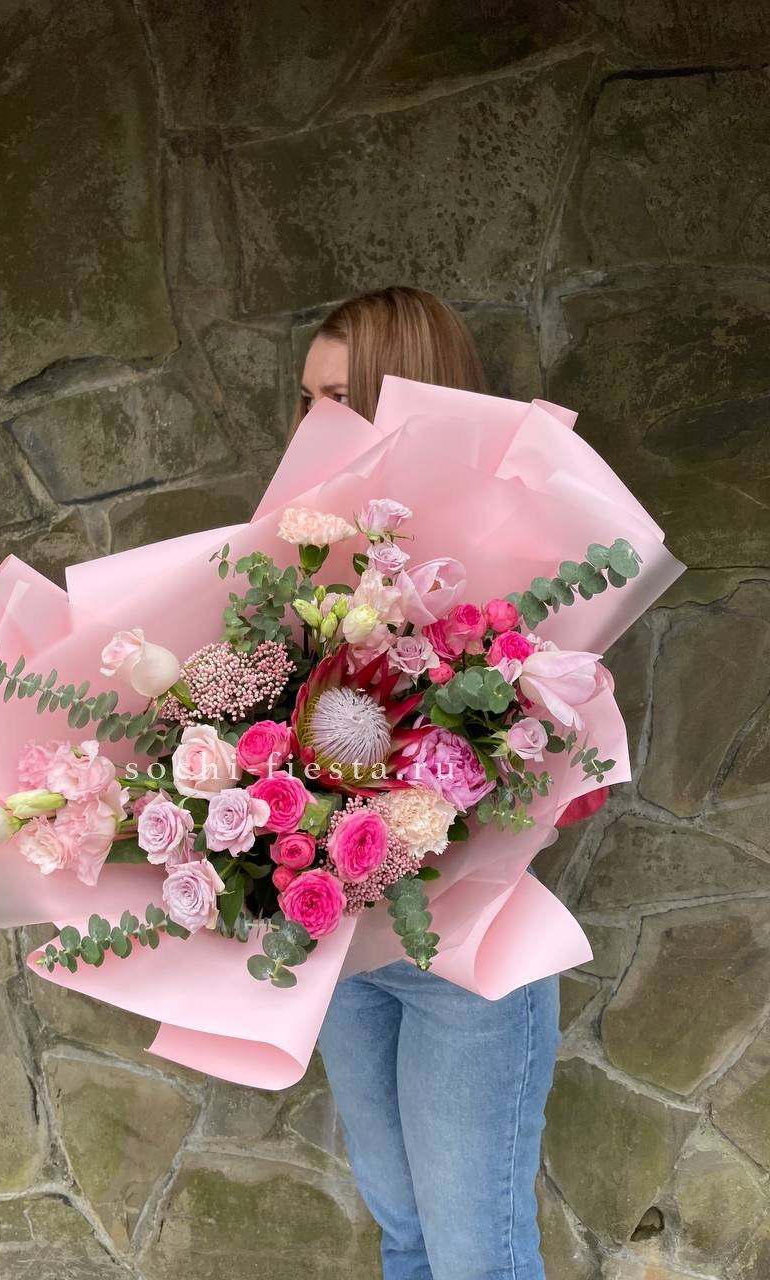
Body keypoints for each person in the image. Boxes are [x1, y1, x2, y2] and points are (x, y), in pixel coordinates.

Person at [296, 286, 561, 1280]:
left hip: (468, 961)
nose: (311, 424)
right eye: (303, 401)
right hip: (347, 948)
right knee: (405, 1240)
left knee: (477, 1258)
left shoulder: (514, 554)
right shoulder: (299, 555)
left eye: (335, 399)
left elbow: (564, 772)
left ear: (400, 395)